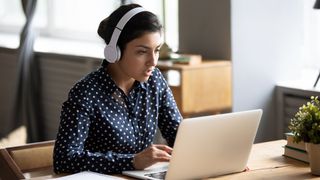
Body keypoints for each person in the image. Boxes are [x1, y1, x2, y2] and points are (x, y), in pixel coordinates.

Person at [53, 3, 182, 174]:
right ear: (115, 51)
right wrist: (132, 161)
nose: (153, 61)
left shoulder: (155, 80)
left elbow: (179, 135)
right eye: (142, 52)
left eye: (156, 50)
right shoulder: (85, 93)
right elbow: (64, 159)